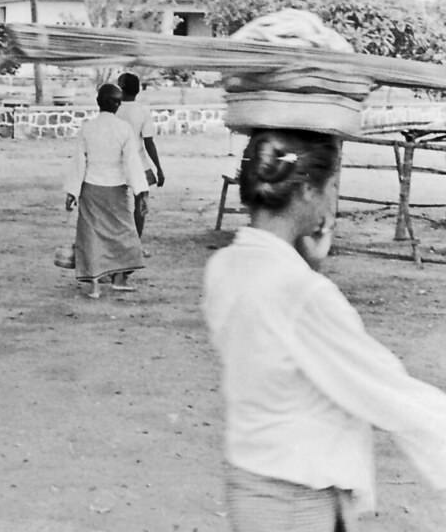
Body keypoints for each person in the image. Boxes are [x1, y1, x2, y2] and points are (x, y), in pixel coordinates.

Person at [203, 128, 446, 530]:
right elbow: (383, 390)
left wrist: (309, 267)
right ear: (308, 192)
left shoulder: (226, 266)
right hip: (296, 497)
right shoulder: (302, 293)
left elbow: (279, 344)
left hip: (251, 481)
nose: (333, 199)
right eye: (331, 186)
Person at [64, 83, 148, 297]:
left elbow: (78, 162)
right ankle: (119, 279)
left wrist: (72, 192)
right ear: (118, 104)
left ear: (97, 102)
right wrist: (141, 192)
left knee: (90, 236)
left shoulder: (87, 128)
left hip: (90, 188)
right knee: (124, 233)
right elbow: (131, 162)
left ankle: (93, 285)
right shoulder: (124, 129)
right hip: (116, 190)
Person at [116, 73, 164, 246]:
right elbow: (149, 142)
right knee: (141, 202)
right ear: (137, 90)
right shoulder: (142, 111)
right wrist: (159, 168)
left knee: (117, 204)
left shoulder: (114, 108)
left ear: (120, 89)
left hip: (116, 163)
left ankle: (119, 240)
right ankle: (136, 242)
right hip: (139, 162)